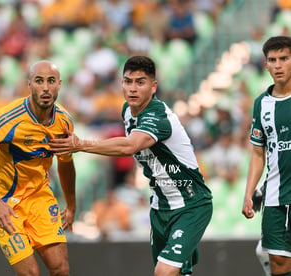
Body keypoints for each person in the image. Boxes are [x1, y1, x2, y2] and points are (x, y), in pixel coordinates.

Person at [50, 55, 213, 276]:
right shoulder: (128, 111)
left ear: (153, 87)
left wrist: (80, 144)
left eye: (140, 82)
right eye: (128, 81)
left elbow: (130, 146)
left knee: (163, 272)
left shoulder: (158, 115)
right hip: (160, 206)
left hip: (190, 204)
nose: (133, 88)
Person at [0, 60, 76, 276]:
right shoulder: (7, 119)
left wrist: (71, 205)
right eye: (39, 81)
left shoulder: (64, 122)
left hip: (39, 197)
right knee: (30, 274)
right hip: (5, 203)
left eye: (51, 81)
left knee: (61, 269)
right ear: (29, 85)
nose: (45, 87)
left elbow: (66, 163)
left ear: (59, 85)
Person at [242, 35, 291, 276]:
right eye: (273, 60)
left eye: (284, 58)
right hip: (275, 195)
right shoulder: (261, 103)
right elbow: (258, 153)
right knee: (278, 262)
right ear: (266, 65)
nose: (278, 65)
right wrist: (249, 192)